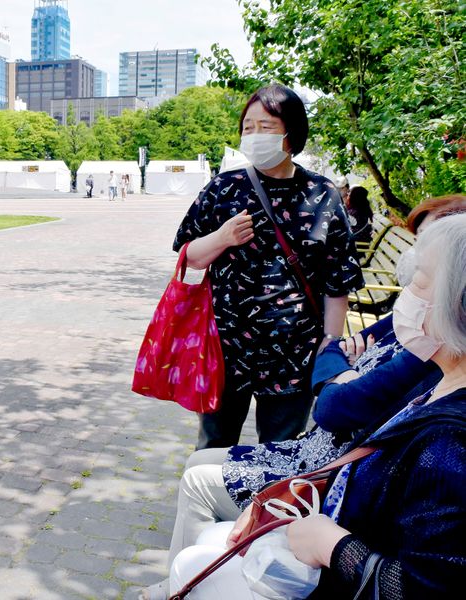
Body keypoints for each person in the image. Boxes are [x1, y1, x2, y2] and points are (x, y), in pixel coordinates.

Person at [165, 213, 466, 598]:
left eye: (420, 279)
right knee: (202, 546)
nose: (405, 289)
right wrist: (285, 502)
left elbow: (420, 587)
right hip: (317, 503)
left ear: (458, 307)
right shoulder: (441, 389)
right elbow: (332, 352)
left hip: (327, 545)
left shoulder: (451, 439)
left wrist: (329, 543)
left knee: (194, 561)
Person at [174, 84, 364, 450]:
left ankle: (265, 509)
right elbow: (189, 257)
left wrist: (330, 343)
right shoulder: (224, 188)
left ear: (292, 134)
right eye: (248, 127)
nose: (255, 136)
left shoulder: (321, 194)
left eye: (267, 127)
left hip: (294, 353)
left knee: (281, 451)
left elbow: (336, 280)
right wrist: (222, 238)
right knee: (213, 445)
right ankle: (211, 507)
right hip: (226, 347)